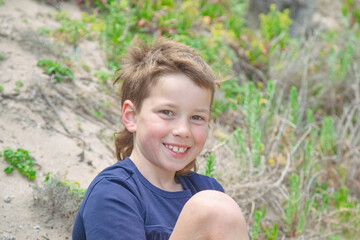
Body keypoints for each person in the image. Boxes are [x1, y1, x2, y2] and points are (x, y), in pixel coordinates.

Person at [72, 37, 249, 240]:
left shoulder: (207, 189)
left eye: (197, 117)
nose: (183, 130)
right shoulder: (114, 193)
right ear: (131, 116)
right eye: (167, 112)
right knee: (212, 210)